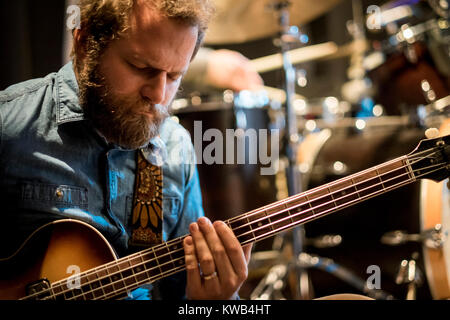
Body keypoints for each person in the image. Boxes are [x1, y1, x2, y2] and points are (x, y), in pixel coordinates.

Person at [0, 0, 252, 300]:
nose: (158, 95)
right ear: (85, 42)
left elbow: (182, 295)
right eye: (141, 67)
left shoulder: (174, 147)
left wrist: (214, 302)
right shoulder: (9, 127)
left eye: (174, 76)